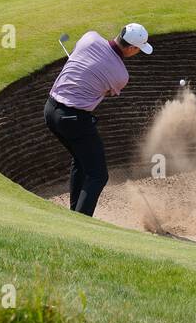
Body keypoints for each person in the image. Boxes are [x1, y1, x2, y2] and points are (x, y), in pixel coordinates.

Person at [44, 23, 153, 216]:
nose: (137, 53)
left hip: (50, 110)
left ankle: (74, 214)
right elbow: (109, 91)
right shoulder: (121, 75)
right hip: (74, 119)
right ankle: (82, 222)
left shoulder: (90, 37)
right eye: (139, 50)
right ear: (131, 48)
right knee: (98, 175)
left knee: (80, 160)